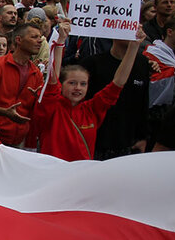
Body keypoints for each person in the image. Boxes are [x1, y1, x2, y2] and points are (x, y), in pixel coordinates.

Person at [32, 30, 142, 161]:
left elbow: (118, 83)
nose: (78, 88)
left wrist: (134, 46)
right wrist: (60, 41)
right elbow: (52, 80)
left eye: (83, 84)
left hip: (81, 175)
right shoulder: (51, 107)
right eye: (72, 83)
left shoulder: (91, 109)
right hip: (54, 173)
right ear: (62, 85)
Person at [0, 22, 48, 148]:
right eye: (34, 37)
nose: (39, 41)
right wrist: (4, 112)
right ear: (19, 40)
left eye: (39, 37)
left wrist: (40, 101)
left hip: (20, 140)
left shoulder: (36, 74)